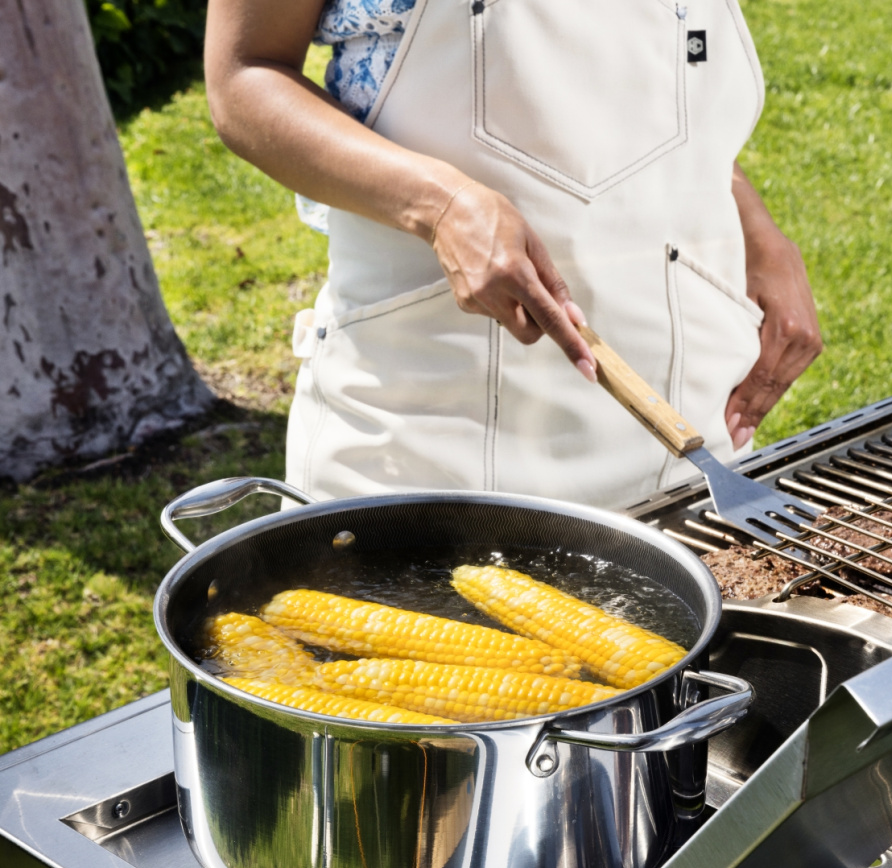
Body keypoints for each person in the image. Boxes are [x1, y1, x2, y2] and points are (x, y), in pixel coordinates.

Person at [204, 0, 822, 510]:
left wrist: (758, 232)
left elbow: (649, 83)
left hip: (693, 444)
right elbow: (243, 76)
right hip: (433, 449)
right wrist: (440, 204)